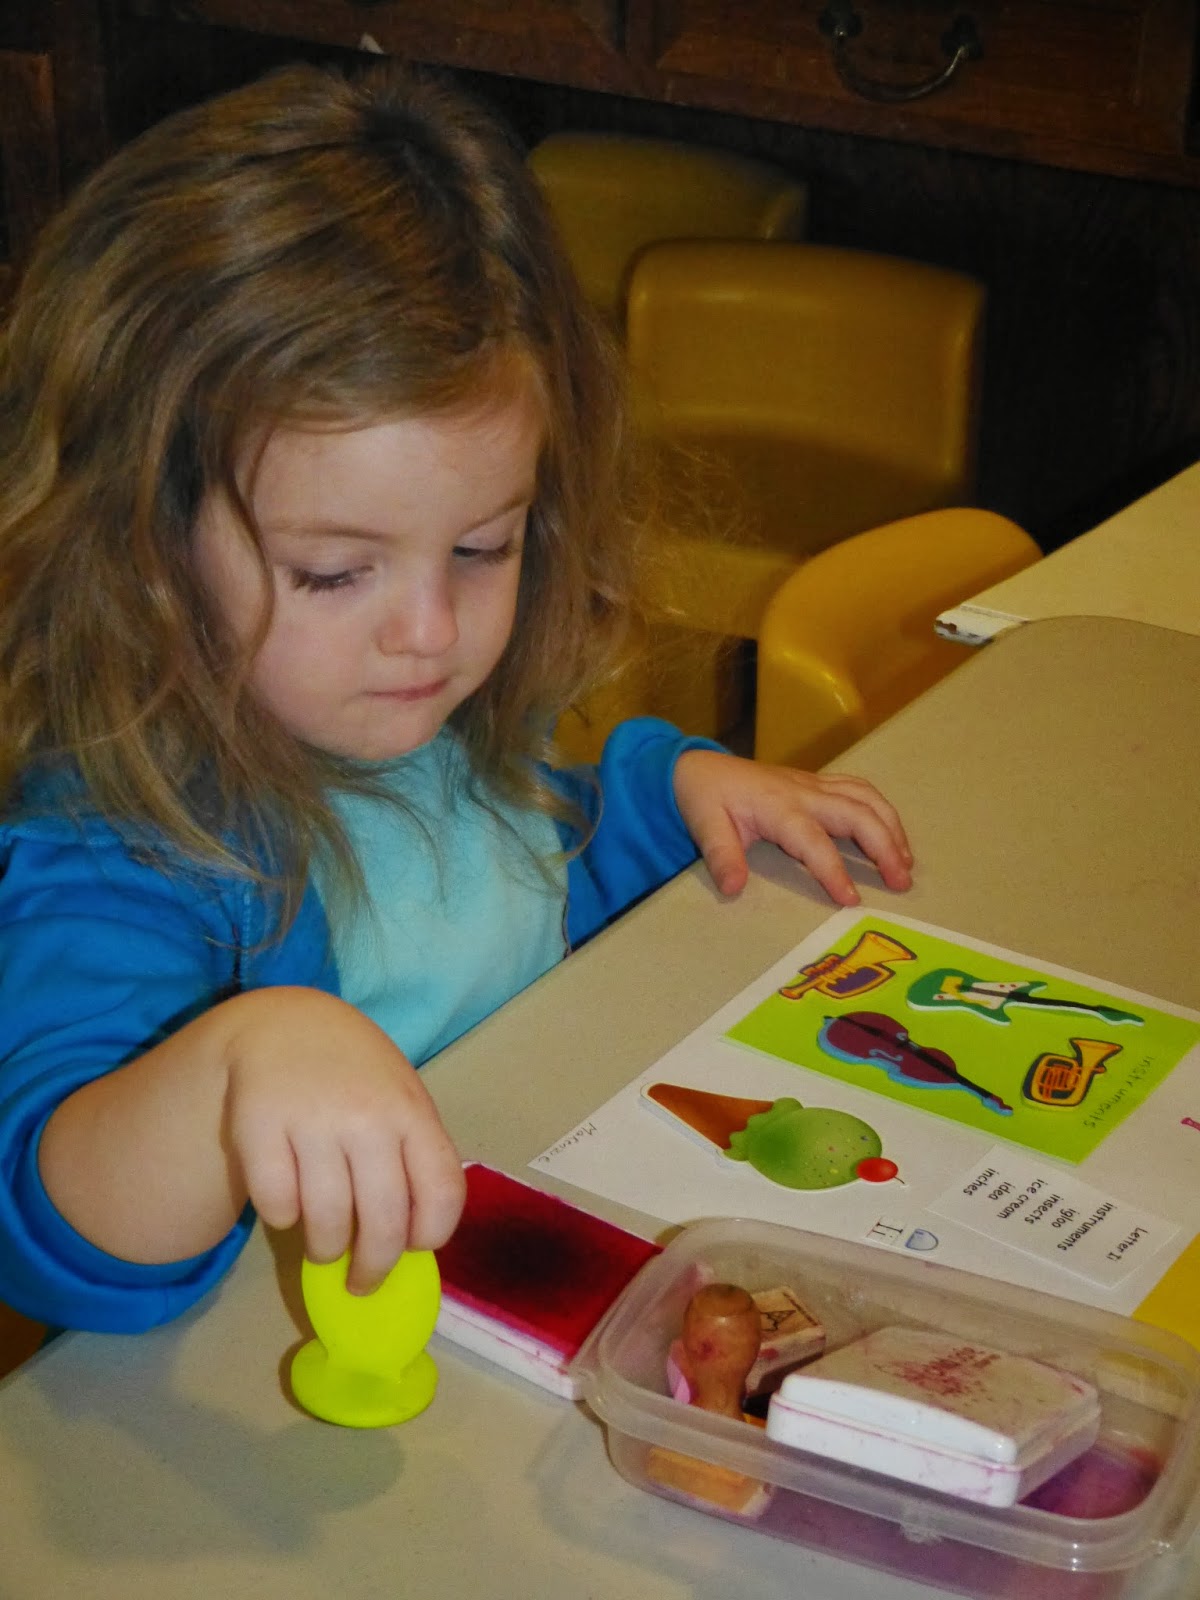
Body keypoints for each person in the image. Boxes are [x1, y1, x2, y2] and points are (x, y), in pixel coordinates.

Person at [0, 62, 912, 1335]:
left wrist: (669, 796)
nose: (431, 632)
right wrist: (231, 1067)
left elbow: (519, 876)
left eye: (484, 547)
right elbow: (45, 1234)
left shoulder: (418, 727)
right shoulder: (124, 846)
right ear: (143, 548)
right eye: (334, 572)